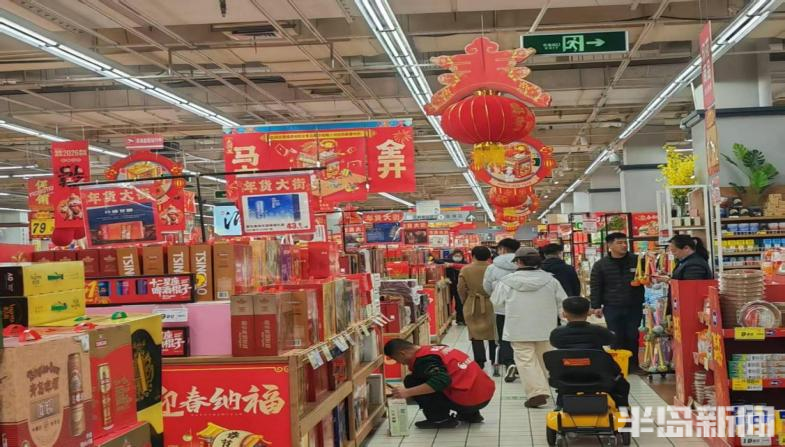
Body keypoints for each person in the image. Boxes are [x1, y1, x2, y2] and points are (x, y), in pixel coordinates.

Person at [490, 246, 567, 408]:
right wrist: (565, 323)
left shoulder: (507, 281)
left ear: (518, 262)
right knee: (544, 359)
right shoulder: (551, 280)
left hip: (518, 326)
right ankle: (542, 388)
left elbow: (496, 302)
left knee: (525, 360)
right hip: (545, 326)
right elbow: (563, 303)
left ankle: (537, 392)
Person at [385, 339, 495, 429]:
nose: (399, 363)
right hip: (483, 394)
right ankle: (470, 415)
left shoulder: (424, 360)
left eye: (396, 359)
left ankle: (439, 419)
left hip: (468, 400)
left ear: (402, 353)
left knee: (412, 380)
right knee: (428, 376)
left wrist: (407, 392)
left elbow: (442, 380)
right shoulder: (434, 349)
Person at [549, 296, 630, 408]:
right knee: (622, 386)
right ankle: (623, 410)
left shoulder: (557, 334)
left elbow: (554, 344)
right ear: (588, 312)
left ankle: (560, 406)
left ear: (564, 314)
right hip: (600, 377)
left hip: (567, 377)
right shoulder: (599, 331)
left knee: (565, 388)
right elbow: (611, 339)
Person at [590, 232, 645, 374]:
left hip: (634, 305)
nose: (624, 245)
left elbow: (647, 277)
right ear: (609, 245)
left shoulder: (637, 261)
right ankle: (617, 367)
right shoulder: (601, 265)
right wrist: (596, 306)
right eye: (619, 243)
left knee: (632, 335)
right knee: (615, 336)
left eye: (625, 242)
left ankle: (633, 366)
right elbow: (596, 286)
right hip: (612, 306)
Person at [482, 238, 520, 381]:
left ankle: (509, 362)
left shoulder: (492, 267)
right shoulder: (523, 264)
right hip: (522, 308)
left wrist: (496, 296)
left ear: (502, 249)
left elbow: (486, 287)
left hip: (501, 308)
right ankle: (521, 361)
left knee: (504, 336)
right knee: (521, 335)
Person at [457, 246, 497, 372]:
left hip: (473, 303)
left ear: (473, 256)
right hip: (492, 302)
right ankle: (494, 359)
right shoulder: (494, 268)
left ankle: (480, 361)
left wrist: (465, 301)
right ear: (489, 256)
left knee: (475, 333)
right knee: (493, 332)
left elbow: (461, 288)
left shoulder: (466, 269)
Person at [443, 249, 467, 325]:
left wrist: (452, 265)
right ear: (452, 256)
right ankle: (447, 320)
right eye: (456, 256)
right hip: (449, 285)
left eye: (459, 256)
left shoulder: (464, 263)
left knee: (460, 303)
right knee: (447, 302)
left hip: (460, 286)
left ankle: (461, 319)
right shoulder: (448, 261)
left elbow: (466, 266)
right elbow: (438, 261)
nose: (457, 257)